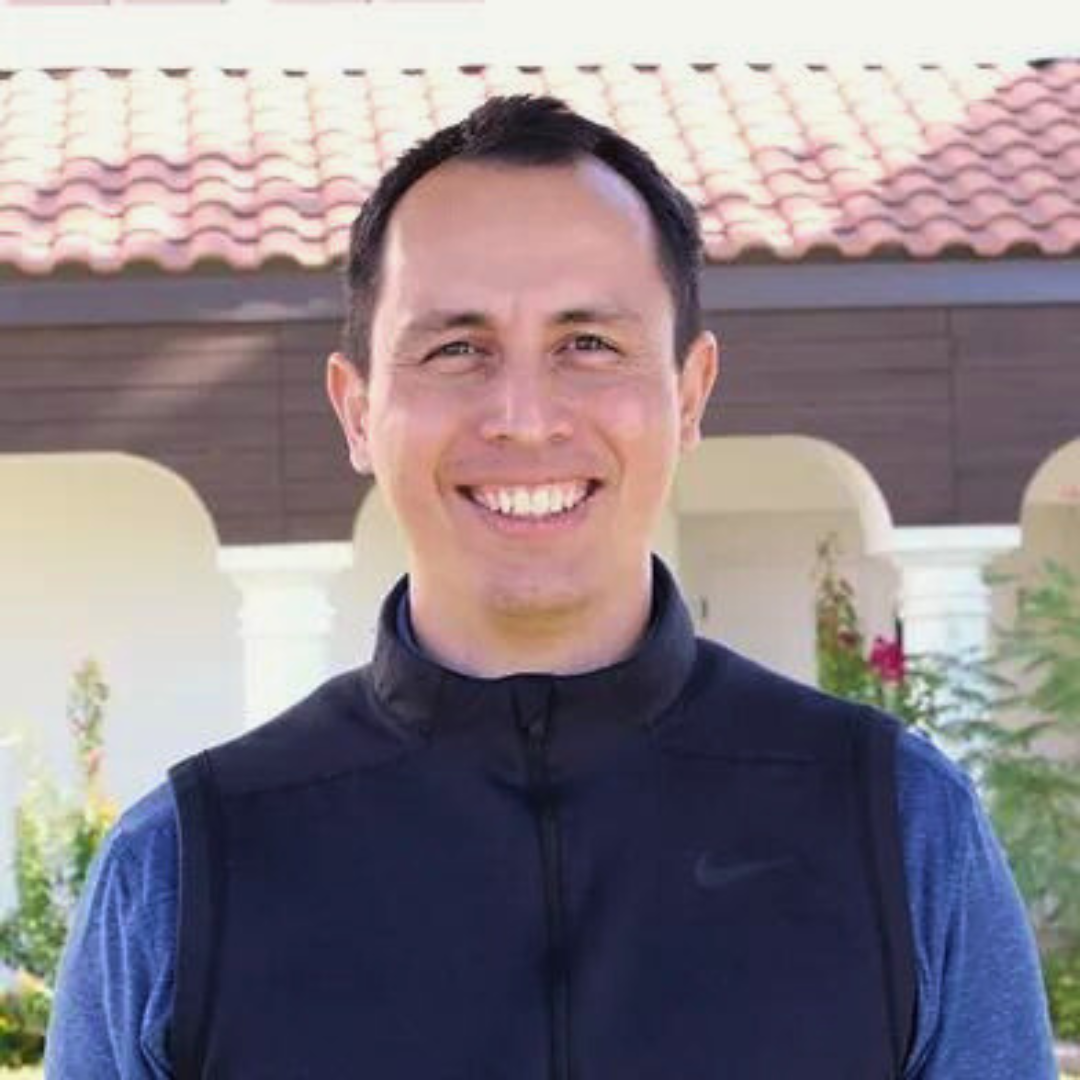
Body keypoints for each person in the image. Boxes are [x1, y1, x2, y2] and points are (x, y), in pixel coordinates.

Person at [45, 94, 1056, 1079]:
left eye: (588, 345)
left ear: (689, 393)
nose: (524, 418)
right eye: (456, 348)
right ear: (358, 410)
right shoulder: (179, 872)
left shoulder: (902, 829)